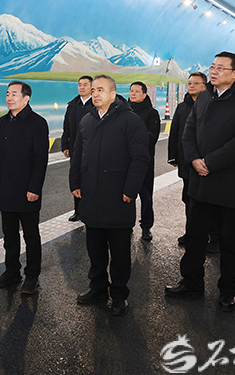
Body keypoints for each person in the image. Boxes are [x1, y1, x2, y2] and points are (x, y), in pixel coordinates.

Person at [165, 51, 235, 313]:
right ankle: (191, 282)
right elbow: (189, 131)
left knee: (230, 240)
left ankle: (227, 290)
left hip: (233, 184)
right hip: (201, 181)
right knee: (195, 235)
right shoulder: (206, 96)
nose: (214, 72)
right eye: (212, 67)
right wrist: (193, 159)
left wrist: (210, 162)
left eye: (221, 68)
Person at [70, 75, 149, 316]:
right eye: (93, 90)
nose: (95, 93)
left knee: (120, 252)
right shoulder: (87, 120)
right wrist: (75, 182)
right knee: (95, 249)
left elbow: (140, 158)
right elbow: (77, 154)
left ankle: (119, 295)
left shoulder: (130, 121)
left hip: (118, 197)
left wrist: (130, 190)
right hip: (91, 197)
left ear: (113, 94)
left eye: (100, 90)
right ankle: (98, 288)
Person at [0, 81, 49, 294]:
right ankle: (12, 272)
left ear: (26, 98)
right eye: (7, 94)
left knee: (31, 236)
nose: (9, 98)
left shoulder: (37, 123)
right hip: (5, 188)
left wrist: (35, 188)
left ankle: (32, 276)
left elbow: (40, 160)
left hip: (27, 190)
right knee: (10, 236)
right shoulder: (3, 122)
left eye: (14, 94)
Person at [167, 72, 207, 245]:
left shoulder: (210, 105)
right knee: (188, 198)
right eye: (189, 83)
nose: (191, 86)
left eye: (195, 83)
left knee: (205, 200)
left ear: (204, 86)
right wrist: (172, 156)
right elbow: (175, 132)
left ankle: (212, 236)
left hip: (204, 162)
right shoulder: (182, 107)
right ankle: (191, 233)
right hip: (186, 161)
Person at [128, 81, 161, 241]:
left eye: (136, 91)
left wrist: (131, 138)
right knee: (126, 194)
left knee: (146, 196)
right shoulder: (124, 111)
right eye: (131, 91)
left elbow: (152, 137)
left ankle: (146, 226)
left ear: (144, 94)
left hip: (144, 161)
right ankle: (127, 224)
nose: (133, 94)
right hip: (126, 161)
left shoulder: (151, 113)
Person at [61, 75, 96, 221]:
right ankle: (78, 211)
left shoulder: (96, 105)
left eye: (85, 85)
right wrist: (65, 145)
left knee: (91, 179)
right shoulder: (73, 105)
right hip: (75, 149)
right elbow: (66, 127)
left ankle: (91, 210)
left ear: (92, 87)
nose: (82, 87)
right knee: (76, 178)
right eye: (80, 84)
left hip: (92, 149)